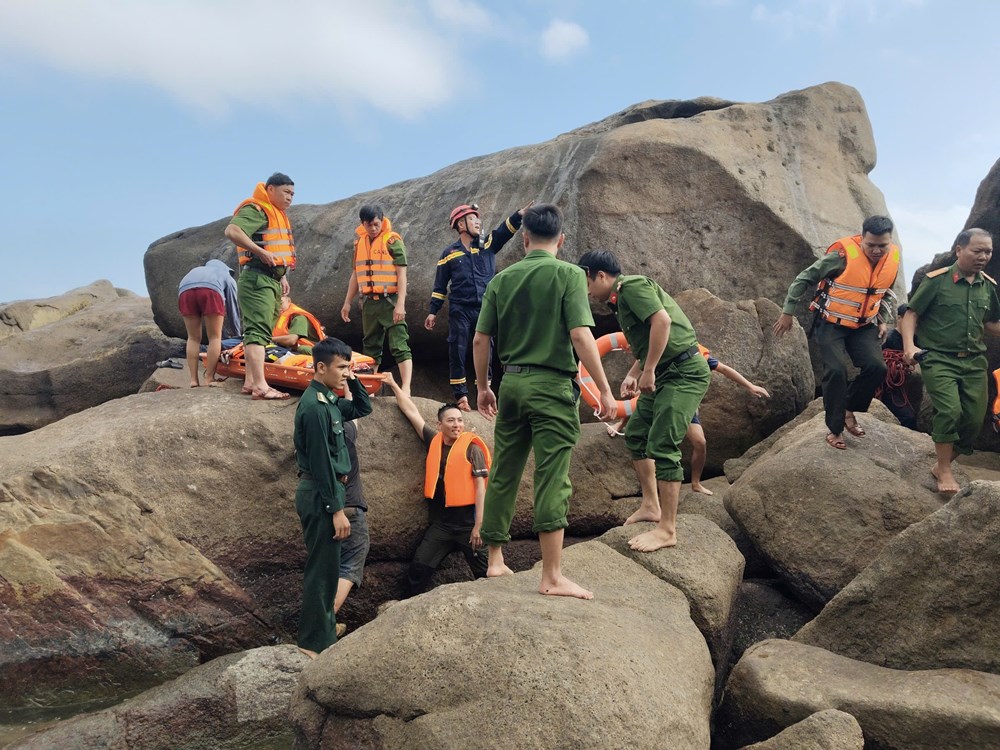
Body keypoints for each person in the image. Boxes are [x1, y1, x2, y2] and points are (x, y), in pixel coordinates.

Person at [473, 204, 617, 600]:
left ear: (524, 239)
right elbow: (581, 336)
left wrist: (484, 387)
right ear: (561, 240)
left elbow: (480, 339)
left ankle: (496, 560)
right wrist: (604, 389)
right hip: (552, 387)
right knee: (552, 476)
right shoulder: (569, 274)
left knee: (504, 469)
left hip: (512, 385)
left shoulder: (502, 279)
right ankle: (552, 575)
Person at [578, 249, 711, 552]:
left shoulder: (632, 288)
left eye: (587, 282)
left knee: (664, 445)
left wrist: (648, 370)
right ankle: (651, 505)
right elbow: (650, 335)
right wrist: (634, 372)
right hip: (665, 374)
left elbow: (662, 323)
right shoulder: (620, 300)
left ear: (601, 276)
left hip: (684, 373)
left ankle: (667, 530)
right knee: (637, 433)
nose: (586, 290)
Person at [772, 216, 900, 450]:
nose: (876, 250)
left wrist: (882, 319)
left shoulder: (892, 257)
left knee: (877, 367)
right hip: (830, 323)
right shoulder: (841, 256)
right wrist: (788, 312)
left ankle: (849, 408)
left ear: (889, 241)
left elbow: (883, 290)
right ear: (862, 238)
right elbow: (804, 278)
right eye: (871, 245)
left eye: (882, 245)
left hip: (863, 326)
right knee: (837, 370)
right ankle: (835, 428)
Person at [899, 228, 999, 493]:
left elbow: (990, 323)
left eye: (988, 251)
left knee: (974, 421)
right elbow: (910, 315)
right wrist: (909, 346)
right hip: (939, 359)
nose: (983, 257)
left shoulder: (988, 286)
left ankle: (941, 463)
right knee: (950, 411)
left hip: (975, 362)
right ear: (959, 250)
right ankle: (944, 471)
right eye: (977, 251)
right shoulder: (937, 281)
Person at [292, 337, 373, 657]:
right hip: (320, 492)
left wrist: (354, 378)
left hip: (328, 491)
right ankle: (312, 644)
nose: (345, 372)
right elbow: (322, 463)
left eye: (348, 367)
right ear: (320, 367)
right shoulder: (313, 407)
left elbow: (362, 408)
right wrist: (337, 510)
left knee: (327, 570)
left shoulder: (328, 400)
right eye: (340, 367)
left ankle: (322, 634)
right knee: (322, 571)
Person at [604, 345, 769, 495]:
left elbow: (724, 369)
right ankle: (653, 492)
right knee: (644, 406)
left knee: (700, 442)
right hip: (658, 396)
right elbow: (641, 393)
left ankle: (695, 483)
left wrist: (750, 386)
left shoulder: (693, 353)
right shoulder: (658, 352)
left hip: (683, 405)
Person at [384, 374, 491, 595]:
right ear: (439, 424)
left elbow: (481, 488)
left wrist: (479, 526)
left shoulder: (473, 448)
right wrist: (394, 384)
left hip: (468, 523)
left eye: (460, 420)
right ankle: (405, 607)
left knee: (487, 573)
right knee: (419, 567)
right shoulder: (434, 440)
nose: (457, 424)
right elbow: (411, 412)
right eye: (451, 420)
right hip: (441, 524)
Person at [425, 202, 532, 410]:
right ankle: (461, 396)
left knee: (487, 349)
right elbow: (440, 287)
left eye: (478, 218)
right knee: (458, 347)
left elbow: (504, 231)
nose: (478, 221)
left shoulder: (488, 244)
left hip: (485, 307)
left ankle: (486, 391)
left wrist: (518, 215)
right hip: (460, 309)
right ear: (460, 224)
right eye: (473, 219)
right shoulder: (449, 253)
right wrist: (432, 311)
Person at [225, 172, 296, 400]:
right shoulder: (257, 209)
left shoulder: (276, 214)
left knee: (258, 332)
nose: (290, 198)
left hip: (270, 279)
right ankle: (260, 386)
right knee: (258, 332)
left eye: (292, 194)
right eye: (286, 192)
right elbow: (232, 231)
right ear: (271, 189)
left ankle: (249, 382)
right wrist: (260, 251)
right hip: (258, 279)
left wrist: (282, 276)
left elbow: (274, 250)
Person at [341, 204, 412, 394]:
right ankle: (369, 388)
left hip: (390, 300)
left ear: (382, 220)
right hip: (369, 302)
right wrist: (347, 301)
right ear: (362, 224)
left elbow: (402, 275)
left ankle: (406, 387)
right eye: (369, 225)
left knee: (399, 344)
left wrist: (400, 305)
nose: (373, 228)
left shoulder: (392, 241)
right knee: (371, 345)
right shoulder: (359, 244)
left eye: (376, 224)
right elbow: (356, 275)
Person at [177, 259, 241, 388]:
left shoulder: (196, 270)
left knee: (193, 338)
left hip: (185, 291)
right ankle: (209, 378)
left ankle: (193, 380)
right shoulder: (226, 276)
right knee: (214, 337)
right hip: (211, 290)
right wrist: (238, 337)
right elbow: (233, 308)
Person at [332, 418, 369, 638]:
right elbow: (355, 415)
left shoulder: (314, 432)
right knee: (351, 562)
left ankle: (320, 620)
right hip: (348, 508)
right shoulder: (343, 429)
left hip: (323, 509)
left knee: (329, 565)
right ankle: (326, 619)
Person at [875, 304, 919, 430]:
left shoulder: (916, 339)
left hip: (906, 387)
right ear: (899, 318)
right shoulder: (887, 339)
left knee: (911, 416)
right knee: (907, 417)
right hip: (890, 389)